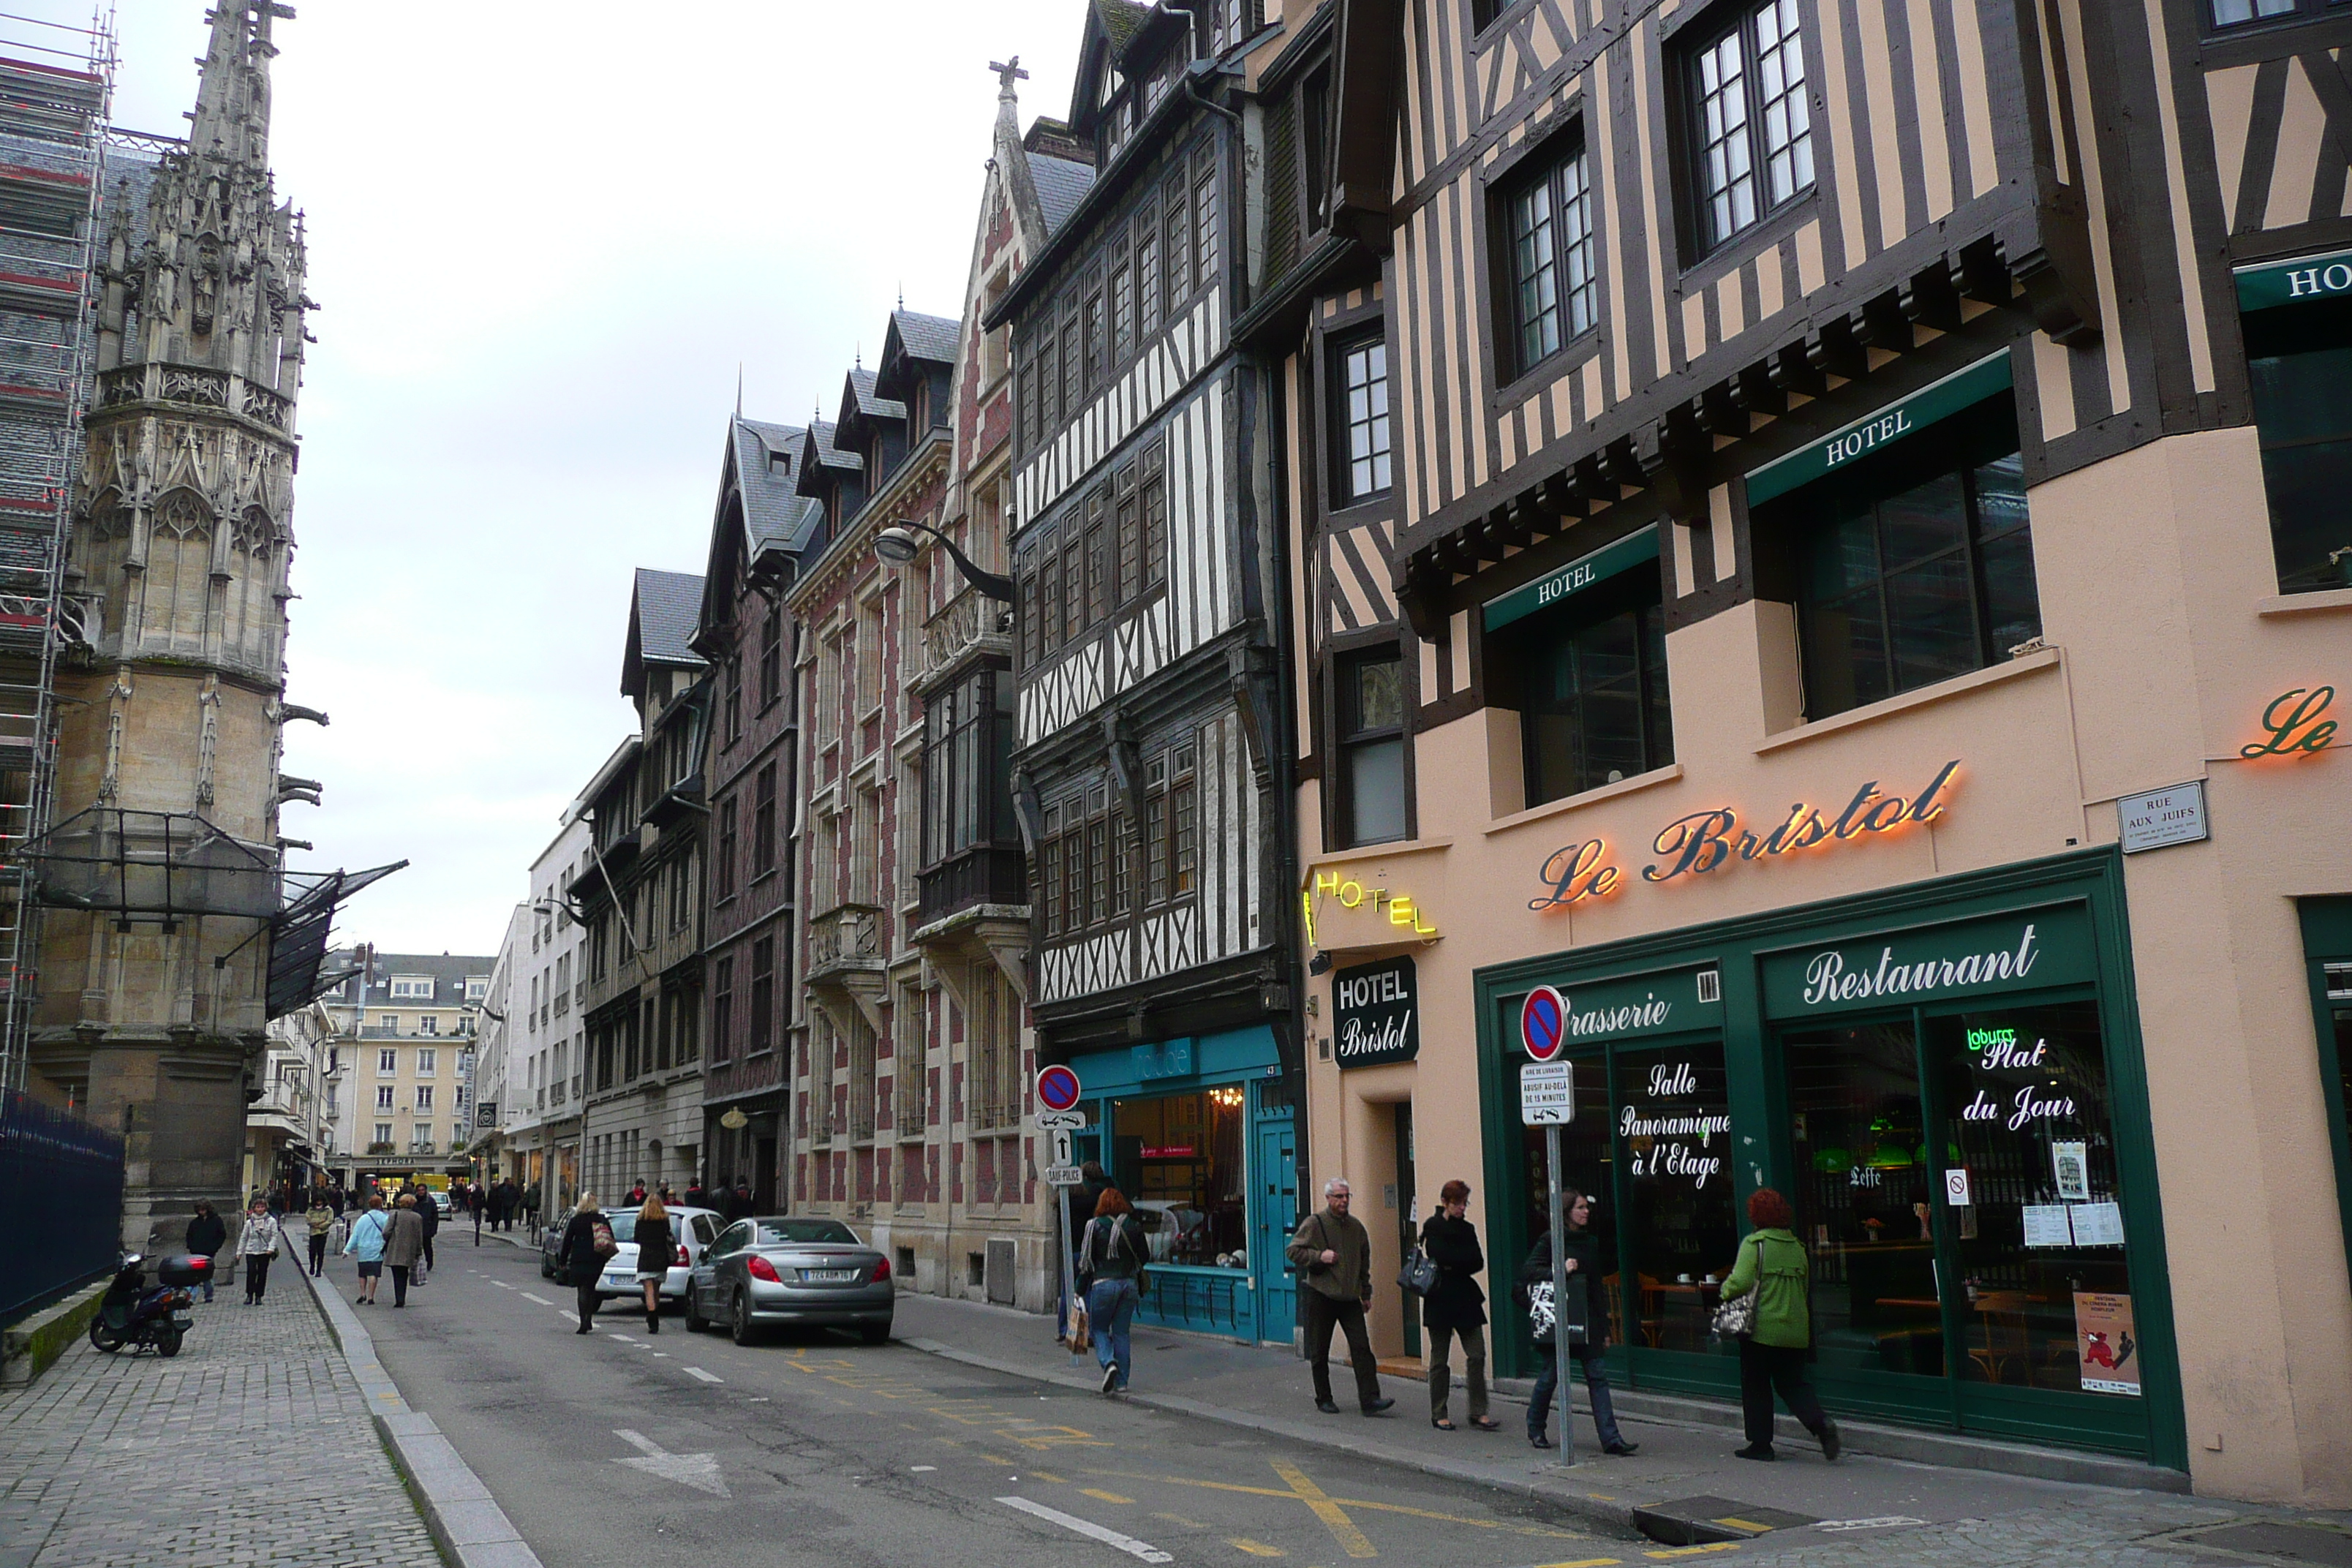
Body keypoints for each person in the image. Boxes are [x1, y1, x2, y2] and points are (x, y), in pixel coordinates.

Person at [1719, 1186, 1839, 1463]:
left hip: (1761, 1329)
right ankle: (1821, 1425)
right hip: (1796, 1330)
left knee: (1756, 1384)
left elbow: (1740, 1282)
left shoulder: (1755, 1244)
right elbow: (1805, 1286)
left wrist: (1724, 1291)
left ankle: (1761, 1445)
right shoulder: (1798, 1248)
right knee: (1794, 1383)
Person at [1521, 1188, 1637, 1455]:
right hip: (1559, 1320)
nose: (1586, 1212)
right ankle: (1535, 1426)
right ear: (1567, 1213)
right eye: (1580, 1208)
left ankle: (1611, 1439)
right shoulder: (1551, 1240)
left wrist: (1605, 1327)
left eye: (1587, 1207)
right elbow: (1529, 1271)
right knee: (1551, 1375)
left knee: (1597, 1377)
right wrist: (1560, 1269)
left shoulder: (1589, 1242)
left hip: (1587, 1319)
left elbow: (1596, 1286)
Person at [1286, 1178, 1394, 1417]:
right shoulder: (1315, 1224)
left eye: (1347, 1196)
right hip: (1321, 1295)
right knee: (1319, 1350)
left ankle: (1370, 1399)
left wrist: (1365, 1293)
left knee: (1362, 1348)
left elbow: (1363, 1263)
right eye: (1339, 1197)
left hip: (1349, 1298)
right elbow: (1292, 1250)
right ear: (1328, 1198)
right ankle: (1324, 1398)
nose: (1344, 1201)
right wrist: (1318, 1256)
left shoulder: (1356, 1228)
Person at [1420, 1179, 1499, 1432]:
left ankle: (1478, 1411)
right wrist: (1457, 1259)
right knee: (1440, 1360)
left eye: (1465, 1203)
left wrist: (1454, 1261)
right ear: (1445, 1202)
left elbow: (1477, 1261)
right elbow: (1438, 1255)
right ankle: (1439, 1412)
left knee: (1477, 1354)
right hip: (1439, 1297)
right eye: (1458, 1204)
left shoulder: (1468, 1228)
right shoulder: (1432, 1226)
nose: (1462, 1208)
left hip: (1466, 1297)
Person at [1075, 1188, 1148, 1395]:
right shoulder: (1134, 1226)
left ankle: (1109, 1363)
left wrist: (1079, 1290)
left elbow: (1086, 1264)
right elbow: (1145, 1255)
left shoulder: (1094, 1226)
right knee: (1122, 1332)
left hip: (1104, 1284)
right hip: (1129, 1284)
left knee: (1098, 1329)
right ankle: (1122, 1382)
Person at [1057, 1161, 1109, 1343]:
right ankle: (1086, 1333)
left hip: (1069, 1252)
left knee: (1067, 1292)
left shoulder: (1062, 1205)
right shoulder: (1089, 1203)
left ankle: (1065, 1329)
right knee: (1086, 1292)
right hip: (1086, 1252)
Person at [557, 1194, 608, 1334]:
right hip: (596, 1259)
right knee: (591, 1288)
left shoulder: (576, 1220)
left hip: (579, 1258)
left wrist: (562, 1261)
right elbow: (609, 1239)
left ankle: (583, 1322)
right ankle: (589, 1318)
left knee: (582, 1290)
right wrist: (606, 1258)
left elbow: (567, 1242)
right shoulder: (601, 1219)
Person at [633, 1195, 674, 1335]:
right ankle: (654, 1313)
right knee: (656, 1289)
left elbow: (636, 1239)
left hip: (646, 1258)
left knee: (648, 1290)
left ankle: (652, 1317)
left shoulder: (641, 1220)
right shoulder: (664, 1220)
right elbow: (668, 1237)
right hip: (661, 1258)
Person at [344, 1194, 391, 1305]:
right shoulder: (385, 1218)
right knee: (373, 1274)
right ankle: (371, 1297)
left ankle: (362, 1293)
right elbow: (389, 1232)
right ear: (381, 1204)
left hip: (363, 1249)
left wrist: (347, 1250)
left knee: (362, 1273)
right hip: (377, 1248)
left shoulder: (363, 1218)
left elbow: (355, 1235)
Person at [382, 1194, 426, 1308]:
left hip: (395, 1249)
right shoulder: (417, 1217)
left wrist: (388, 1239)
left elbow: (386, 1232)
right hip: (409, 1250)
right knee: (404, 1274)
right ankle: (402, 1297)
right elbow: (419, 1236)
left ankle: (399, 1298)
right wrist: (418, 1251)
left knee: (397, 1275)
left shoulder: (394, 1215)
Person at [237, 1198, 283, 1305]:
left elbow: (274, 1236)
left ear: (265, 1208)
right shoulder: (249, 1222)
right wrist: (239, 1252)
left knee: (262, 1274)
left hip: (264, 1251)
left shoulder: (271, 1221)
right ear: (254, 1209)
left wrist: (271, 1248)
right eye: (258, 1207)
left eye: (262, 1207)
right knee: (251, 1273)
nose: (260, 1209)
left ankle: (259, 1296)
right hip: (251, 1250)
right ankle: (249, 1295)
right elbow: (244, 1237)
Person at [185, 1201, 227, 1303]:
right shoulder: (194, 1223)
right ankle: (192, 1297)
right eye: (199, 1210)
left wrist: (215, 1248)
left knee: (207, 1276)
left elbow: (222, 1235)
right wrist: (191, 1247)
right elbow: (189, 1236)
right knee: (194, 1277)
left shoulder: (216, 1221)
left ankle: (209, 1296)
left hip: (209, 1252)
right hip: (196, 1252)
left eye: (203, 1210)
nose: (201, 1212)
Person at [304, 1195, 334, 1276]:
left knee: (321, 1252)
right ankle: (312, 1265)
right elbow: (308, 1219)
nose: (319, 1203)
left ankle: (319, 1270)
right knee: (312, 1251)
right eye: (317, 1201)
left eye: (321, 1201)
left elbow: (330, 1220)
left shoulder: (328, 1210)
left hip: (323, 1232)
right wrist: (320, 1222)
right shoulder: (311, 1210)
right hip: (313, 1232)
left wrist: (320, 1225)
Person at [415, 1183, 440, 1281]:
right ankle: (415, 1263)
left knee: (427, 1247)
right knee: (415, 1247)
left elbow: (435, 1216)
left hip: (426, 1228)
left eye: (423, 1190)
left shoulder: (430, 1201)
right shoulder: (414, 1201)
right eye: (419, 1190)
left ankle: (429, 1261)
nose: (421, 1192)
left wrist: (433, 1229)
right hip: (416, 1229)